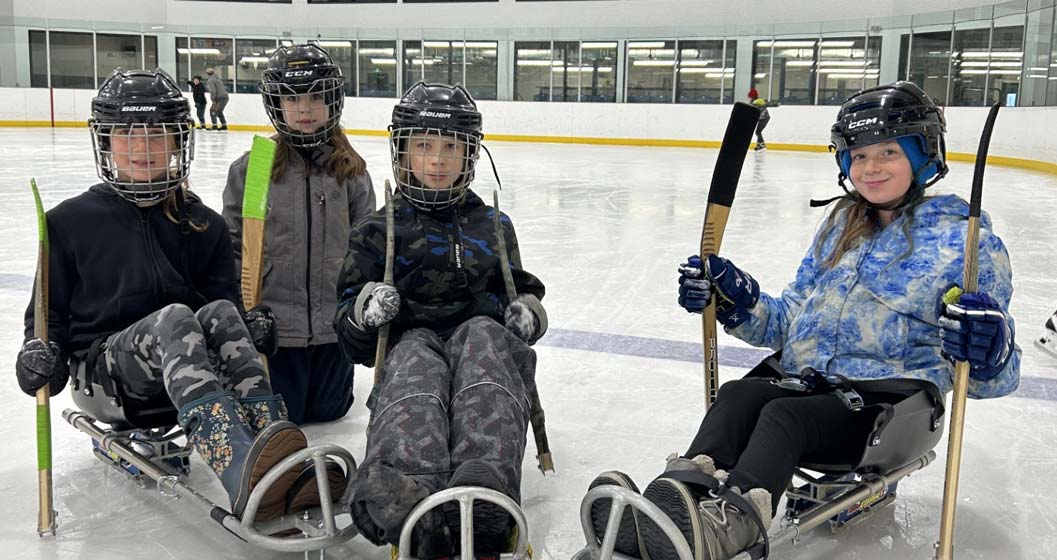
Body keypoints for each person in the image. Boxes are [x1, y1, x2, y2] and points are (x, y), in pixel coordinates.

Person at [588, 81, 1020, 560]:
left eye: (888, 152)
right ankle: (674, 505)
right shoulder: (841, 226)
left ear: (924, 156)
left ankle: (728, 529)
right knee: (740, 394)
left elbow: (993, 378)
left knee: (783, 415)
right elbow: (789, 322)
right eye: (857, 155)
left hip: (895, 409)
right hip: (814, 385)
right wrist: (736, 299)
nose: (870, 168)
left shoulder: (967, 244)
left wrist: (988, 349)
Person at [14, 68, 323, 523]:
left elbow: (226, 317)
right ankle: (239, 469)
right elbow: (47, 322)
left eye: (158, 134)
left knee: (217, 311)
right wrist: (39, 360)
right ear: (105, 141)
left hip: (189, 378)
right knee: (176, 316)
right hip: (108, 381)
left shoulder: (203, 224)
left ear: (180, 140)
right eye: (127, 134)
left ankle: (274, 448)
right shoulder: (68, 224)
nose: (142, 148)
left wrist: (254, 328)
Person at [333, 82, 548, 558]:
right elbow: (350, 334)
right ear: (402, 150)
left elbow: (523, 288)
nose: (436, 160)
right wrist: (363, 314)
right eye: (423, 146)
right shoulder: (375, 230)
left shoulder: (494, 226)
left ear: (470, 153)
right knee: (416, 356)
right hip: (412, 345)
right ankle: (415, 491)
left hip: (479, 344)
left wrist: (528, 314)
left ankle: (486, 489)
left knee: (485, 340)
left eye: (450, 147)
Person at [223, 44, 375, 427]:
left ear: (333, 102)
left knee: (329, 411)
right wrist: (246, 315)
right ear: (275, 104)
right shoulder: (254, 168)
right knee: (282, 415)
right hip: (276, 331)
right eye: (292, 100)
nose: (304, 109)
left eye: (316, 98)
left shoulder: (350, 171)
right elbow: (234, 245)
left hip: (332, 329)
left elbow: (366, 247)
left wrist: (356, 312)